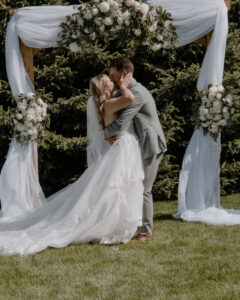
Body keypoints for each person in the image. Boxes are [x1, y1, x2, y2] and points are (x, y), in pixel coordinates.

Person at [0, 73, 144, 256]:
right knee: (115, 188)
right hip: (121, 148)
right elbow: (130, 98)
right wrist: (125, 84)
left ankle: (117, 223)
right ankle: (109, 226)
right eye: (110, 82)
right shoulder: (109, 104)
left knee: (119, 187)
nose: (114, 82)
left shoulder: (104, 103)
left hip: (120, 147)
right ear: (105, 88)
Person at [104, 57, 167, 241]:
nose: (111, 79)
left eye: (113, 76)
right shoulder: (130, 90)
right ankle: (141, 226)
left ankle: (146, 232)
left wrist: (103, 134)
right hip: (145, 143)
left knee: (144, 188)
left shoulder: (136, 93)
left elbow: (122, 123)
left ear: (124, 74)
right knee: (140, 186)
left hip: (151, 144)